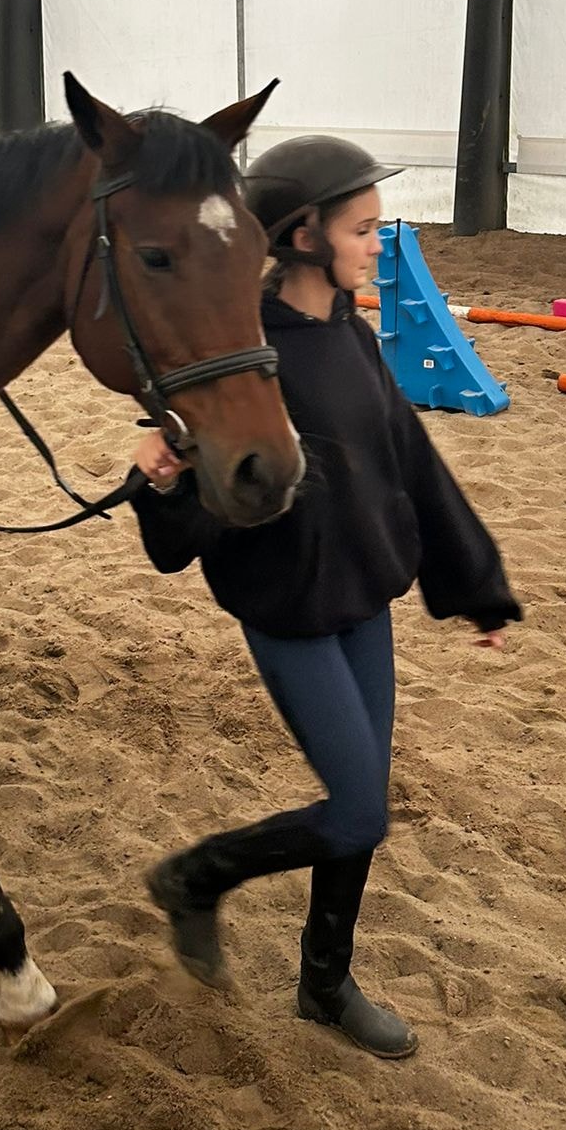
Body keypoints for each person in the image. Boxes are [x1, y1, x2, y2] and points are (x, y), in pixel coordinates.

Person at [130, 136, 521, 1058]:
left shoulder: (349, 329)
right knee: (355, 812)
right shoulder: (244, 349)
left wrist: (477, 588)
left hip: (363, 602)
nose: (376, 244)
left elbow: (412, 462)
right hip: (289, 610)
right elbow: (183, 519)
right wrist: (162, 481)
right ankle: (196, 878)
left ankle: (325, 984)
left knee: (363, 805)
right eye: (362, 228)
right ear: (302, 233)